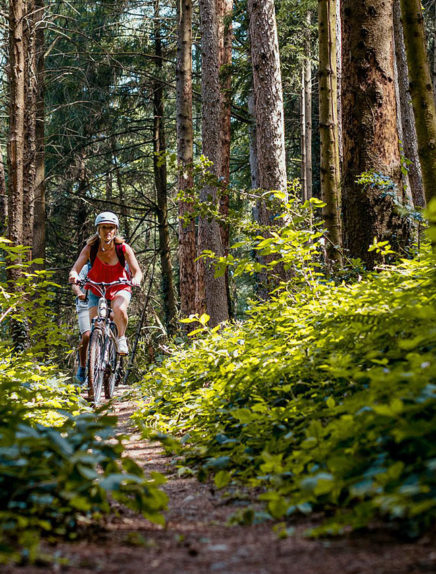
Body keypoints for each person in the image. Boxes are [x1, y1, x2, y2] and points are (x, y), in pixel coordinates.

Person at [68, 212, 142, 355]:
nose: (108, 231)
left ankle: (121, 338)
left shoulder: (123, 249)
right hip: (97, 289)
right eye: (104, 228)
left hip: (119, 287)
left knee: (119, 309)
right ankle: (95, 360)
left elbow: (137, 271)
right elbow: (75, 269)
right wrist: (74, 276)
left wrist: (136, 279)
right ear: (98, 229)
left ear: (115, 230)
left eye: (111, 228)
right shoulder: (91, 248)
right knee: (95, 324)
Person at [71, 262, 91, 384]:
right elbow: (75, 285)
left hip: (104, 303)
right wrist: (79, 293)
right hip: (85, 304)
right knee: (87, 335)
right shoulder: (86, 268)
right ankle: (83, 366)